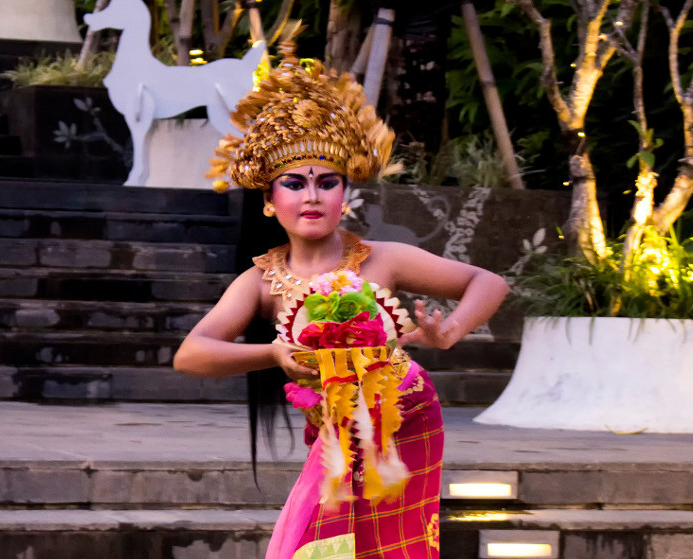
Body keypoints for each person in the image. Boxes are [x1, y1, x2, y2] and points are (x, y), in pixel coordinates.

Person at [174, 44, 509, 559]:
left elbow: (489, 282)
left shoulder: (383, 259)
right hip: (333, 428)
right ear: (269, 201)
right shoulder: (260, 282)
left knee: (389, 548)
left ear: (344, 196)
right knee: (315, 545)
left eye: (327, 183)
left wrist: (453, 330)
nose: (312, 195)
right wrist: (272, 354)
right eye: (294, 183)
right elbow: (191, 354)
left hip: (405, 418)